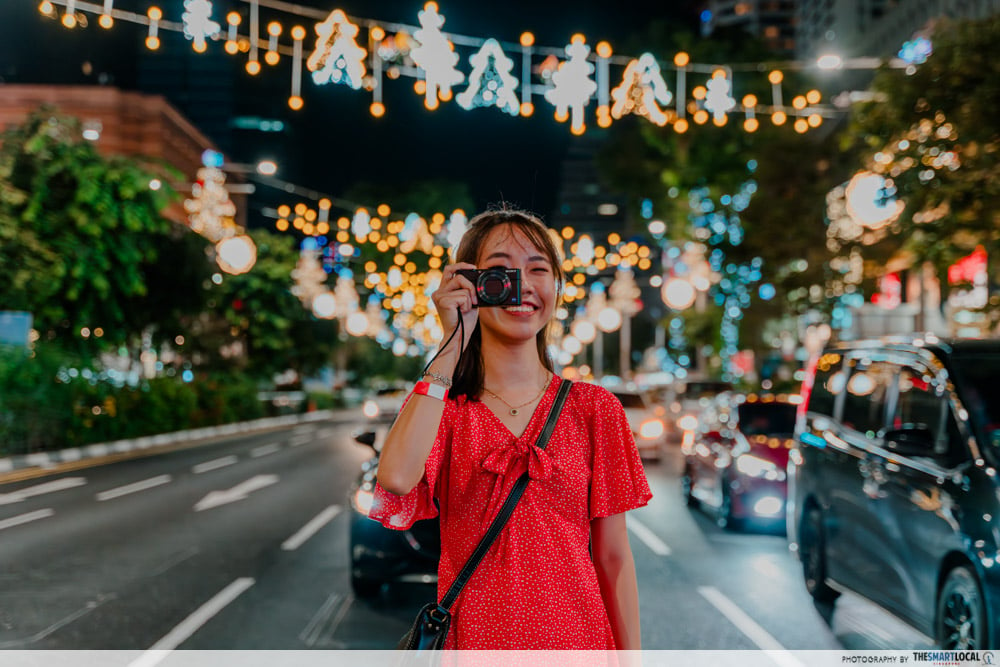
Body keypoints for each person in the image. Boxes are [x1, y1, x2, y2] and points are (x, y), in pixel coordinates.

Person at [370, 208, 652, 650]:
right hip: (473, 647)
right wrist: (450, 345)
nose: (521, 285)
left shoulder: (595, 409)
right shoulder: (446, 408)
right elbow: (396, 477)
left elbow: (614, 557)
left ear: (555, 287)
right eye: (500, 272)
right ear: (469, 286)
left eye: (537, 269)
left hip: (578, 647)